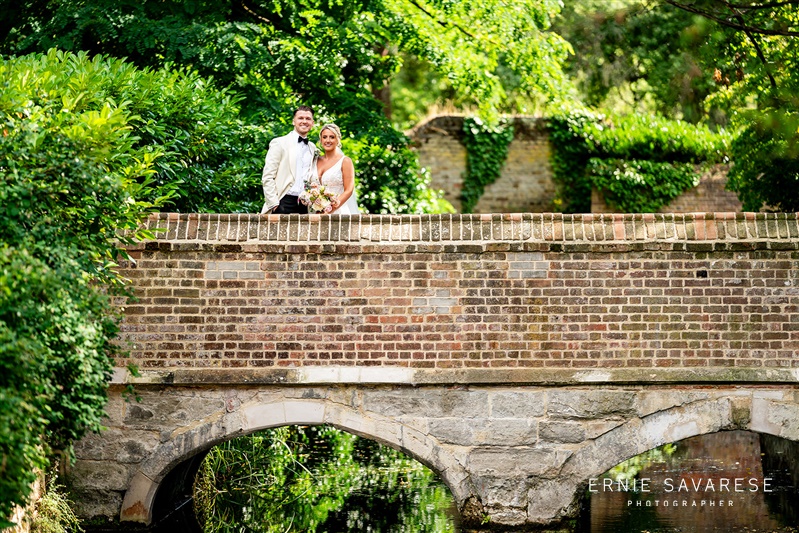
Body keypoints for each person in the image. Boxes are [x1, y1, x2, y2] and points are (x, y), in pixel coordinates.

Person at [260, 105, 317, 214]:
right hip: (283, 201)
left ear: (312, 123)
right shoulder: (279, 143)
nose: (304, 121)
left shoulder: (312, 148)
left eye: (308, 119)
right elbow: (268, 176)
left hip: (305, 205)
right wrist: (273, 203)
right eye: (300, 118)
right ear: (293, 121)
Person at [315, 123, 360, 215]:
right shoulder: (315, 160)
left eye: (332, 137)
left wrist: (328, 210)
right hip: (315, 211)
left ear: (338, 140)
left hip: (337, 211)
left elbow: (348, 190)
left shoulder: (345, 161)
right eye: (324, 137)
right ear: (320, 140)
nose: (328, 140)